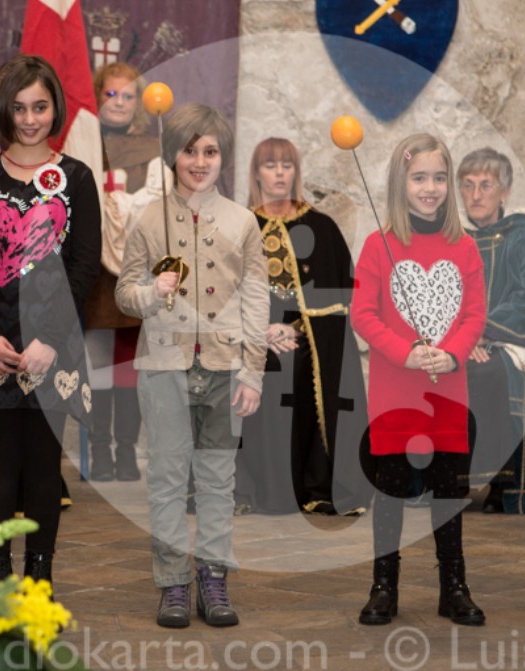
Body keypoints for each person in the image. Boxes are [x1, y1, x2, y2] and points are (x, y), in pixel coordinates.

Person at [0, 55, 101, 584]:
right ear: (2, 110)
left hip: (51, 346)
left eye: (40, 106)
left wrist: (51, 339)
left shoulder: (76, 178)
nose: (30, 119)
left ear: (55, 107)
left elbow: (84, 268)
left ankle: (39, 580)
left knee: (42, 470)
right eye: (19, 108)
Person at [115, 104, 268, 628]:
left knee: (218, 480)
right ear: (171, 155)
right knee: (166, 477)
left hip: (225, 367)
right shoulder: (148, 219)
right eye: (189, 151)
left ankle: (214, 577)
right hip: (164, 366)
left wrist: (252, 370)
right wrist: (150, 293)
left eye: (211, 151)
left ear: (223, 158)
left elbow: (256, 299)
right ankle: (174, 582)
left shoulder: (243, 221)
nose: (200, 162)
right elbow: (124, 294)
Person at [352, 133, 487, 626]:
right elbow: (363, 314)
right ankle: (383, 584)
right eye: (419, 178)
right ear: (400, 183)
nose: (430, 188)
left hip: (448, 391)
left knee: (449, 493)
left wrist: (451, 355)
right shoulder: (378, 245)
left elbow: (474, 314)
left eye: (438, 178)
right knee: (389, 492)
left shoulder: (464, 247)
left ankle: (454, 586)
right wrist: (405, 353)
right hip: (395, 391)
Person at [233, 137, 371, 516]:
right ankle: (265, 488)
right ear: (256, 173)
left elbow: (338, 296)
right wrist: (261, 331)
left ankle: (318, 484)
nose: (279, 173)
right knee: (268, 369)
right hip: (254, 338)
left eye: (286, 165)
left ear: (296, 171)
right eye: (270, 165)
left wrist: (294, 328)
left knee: (297, 366)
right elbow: (227, 293)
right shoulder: (241, 226)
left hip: (308, 340)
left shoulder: (322, 227)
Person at [456, 147, 525, 514]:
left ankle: (508, 482)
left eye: (486, 185)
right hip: (464, 341)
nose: (476, 194)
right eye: (468, 185)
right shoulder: (453, 240)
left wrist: (483, 331)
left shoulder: (524, 236)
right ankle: (451, 479)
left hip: (513, 340)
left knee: (493, 371)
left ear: (505, 191)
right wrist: (463, 339)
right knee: (446, 370)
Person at [83, 61, 163, 482]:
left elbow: (156, 205)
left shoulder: (152, 149)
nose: (118, 103)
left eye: (128, 96)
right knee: (97, 360)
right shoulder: (85, 146)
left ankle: (127, 451)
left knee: (130, 363)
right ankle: (99, 451)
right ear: (97, 96)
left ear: (140, 103)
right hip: (94, 269)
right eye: (110, 94)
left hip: (136, 267)